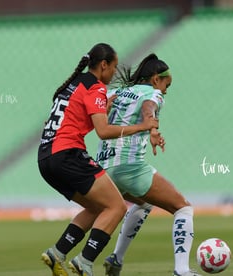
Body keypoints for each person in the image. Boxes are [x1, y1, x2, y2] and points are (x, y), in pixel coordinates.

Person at [37, 43, 159, 276]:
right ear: (103, 65)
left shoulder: (73, 83)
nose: (114, 73)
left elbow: (68, 119)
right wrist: (141, 127)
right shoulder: (96, 87)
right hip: (67, 154)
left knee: (97, 207)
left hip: (45, 158)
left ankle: (57, 254)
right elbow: (103, 131)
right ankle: (84, 262)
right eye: (113, 67)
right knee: (116, 207)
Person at [96, 53, 201, 276]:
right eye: (166, 85)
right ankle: (181, 270)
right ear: (156, 79)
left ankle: (116, 258)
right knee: (183, 208)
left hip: (104, 167)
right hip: (129, 165)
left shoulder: (116, 92)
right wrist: (152, 129)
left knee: (143, 204)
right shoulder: (152, 93)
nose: (165, 91)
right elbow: (149, 108)